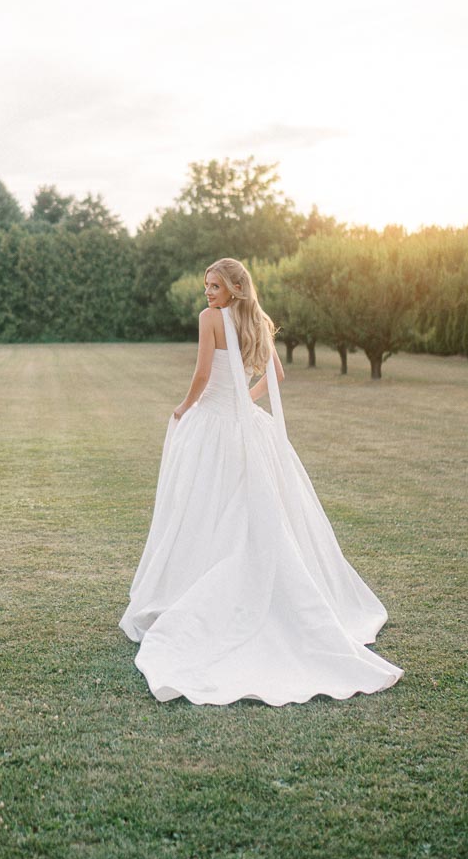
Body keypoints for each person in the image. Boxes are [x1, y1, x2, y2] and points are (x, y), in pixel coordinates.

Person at [120, 257, 402, 706]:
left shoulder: (210, 320)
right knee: (243, 508)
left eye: (215, 285)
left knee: (202, 508)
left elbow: (201, 375)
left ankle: (203, 592)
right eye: (206, 286)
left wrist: (184, 407)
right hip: (247, 424)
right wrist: (243, 402)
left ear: (233, 287)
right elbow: (276, 376)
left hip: (214, 423)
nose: (208, 293)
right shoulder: (256, 320)